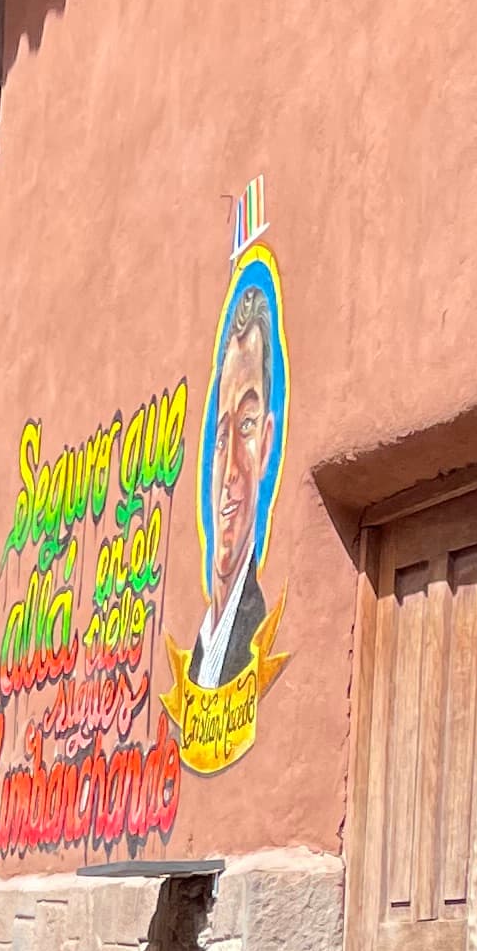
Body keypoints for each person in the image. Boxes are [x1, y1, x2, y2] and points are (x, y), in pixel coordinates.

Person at [189, 273, 281, 691]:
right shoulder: (200, 652)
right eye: (221, 436)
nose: (229, 473)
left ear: (266, 444)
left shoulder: (253, 631)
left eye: (246, 426)